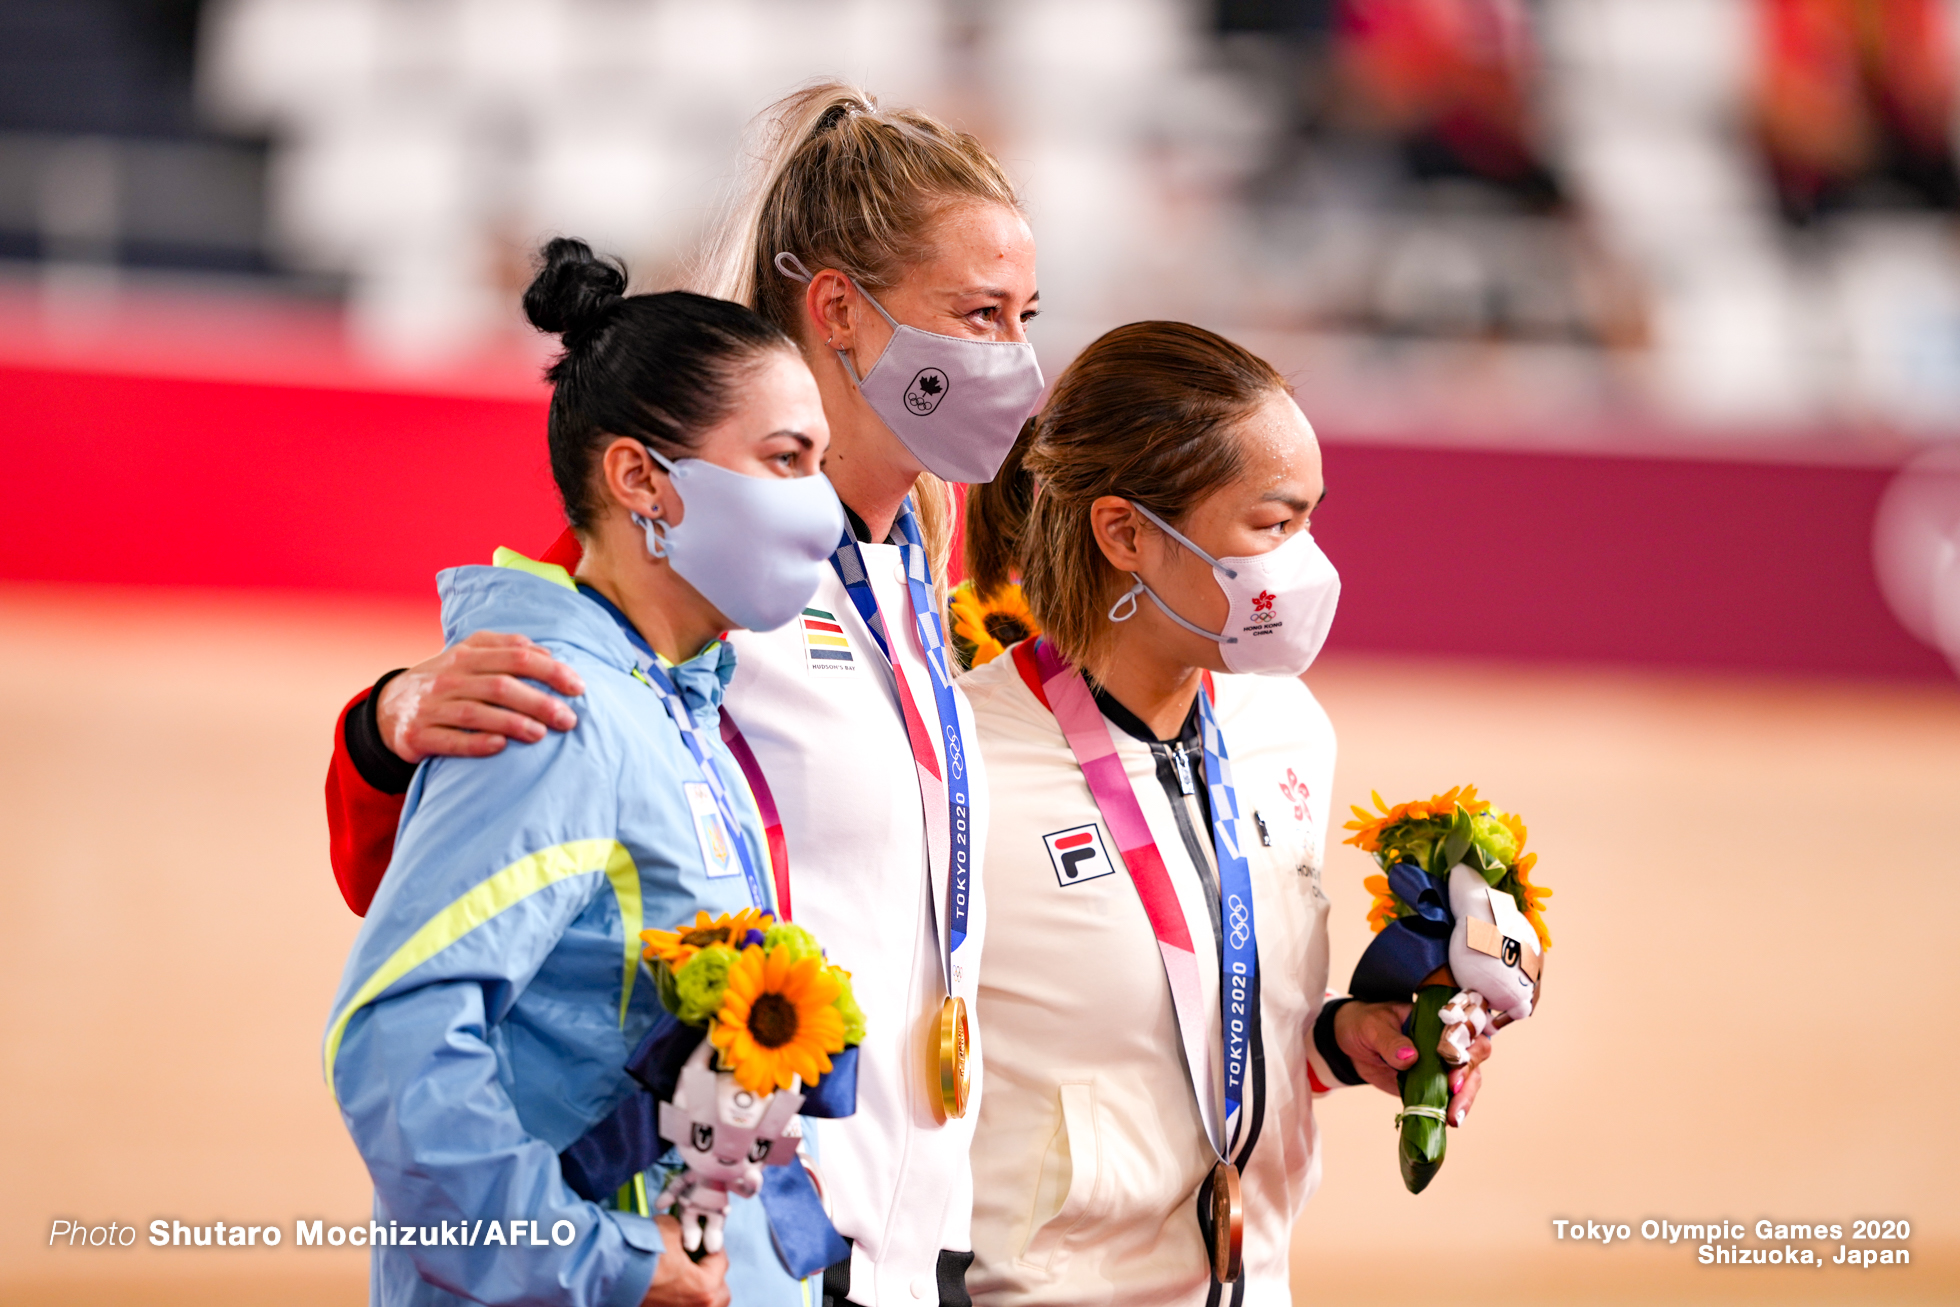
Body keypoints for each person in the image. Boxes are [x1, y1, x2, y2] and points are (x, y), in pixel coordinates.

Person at [321, 83, 1042, 1307]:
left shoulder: (924, 544)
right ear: (839, 314)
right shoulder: (699, 554)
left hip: (896, 1240)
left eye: (1026, 315)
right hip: (727, 1233)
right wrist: (386, 725)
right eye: (978, 316)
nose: (1015, 358)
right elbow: (481, 795)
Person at [326, 238, 844, 1307]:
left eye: (820, 464)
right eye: (786, 459)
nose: (820, 504)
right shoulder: (556, 710)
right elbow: (395, 1041)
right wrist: (594, 1255)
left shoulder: (676, 698)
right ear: (639, 478)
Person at [953, 322, 1494, 1305]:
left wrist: (1338, 1039)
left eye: (1311, 521)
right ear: (1125, 534)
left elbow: (1214, 1005)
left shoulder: (1282, 724)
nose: (1308, 565)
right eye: (1270, 524)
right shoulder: (962, 764)